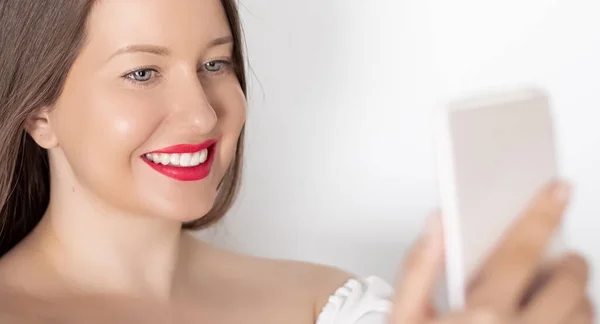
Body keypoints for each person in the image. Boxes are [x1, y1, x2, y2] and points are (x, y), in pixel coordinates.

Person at [0, 0, 593, 323]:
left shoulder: (333, 307)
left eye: (215, 64)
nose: (204, 116)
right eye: (142, 72)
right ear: (39, 114)